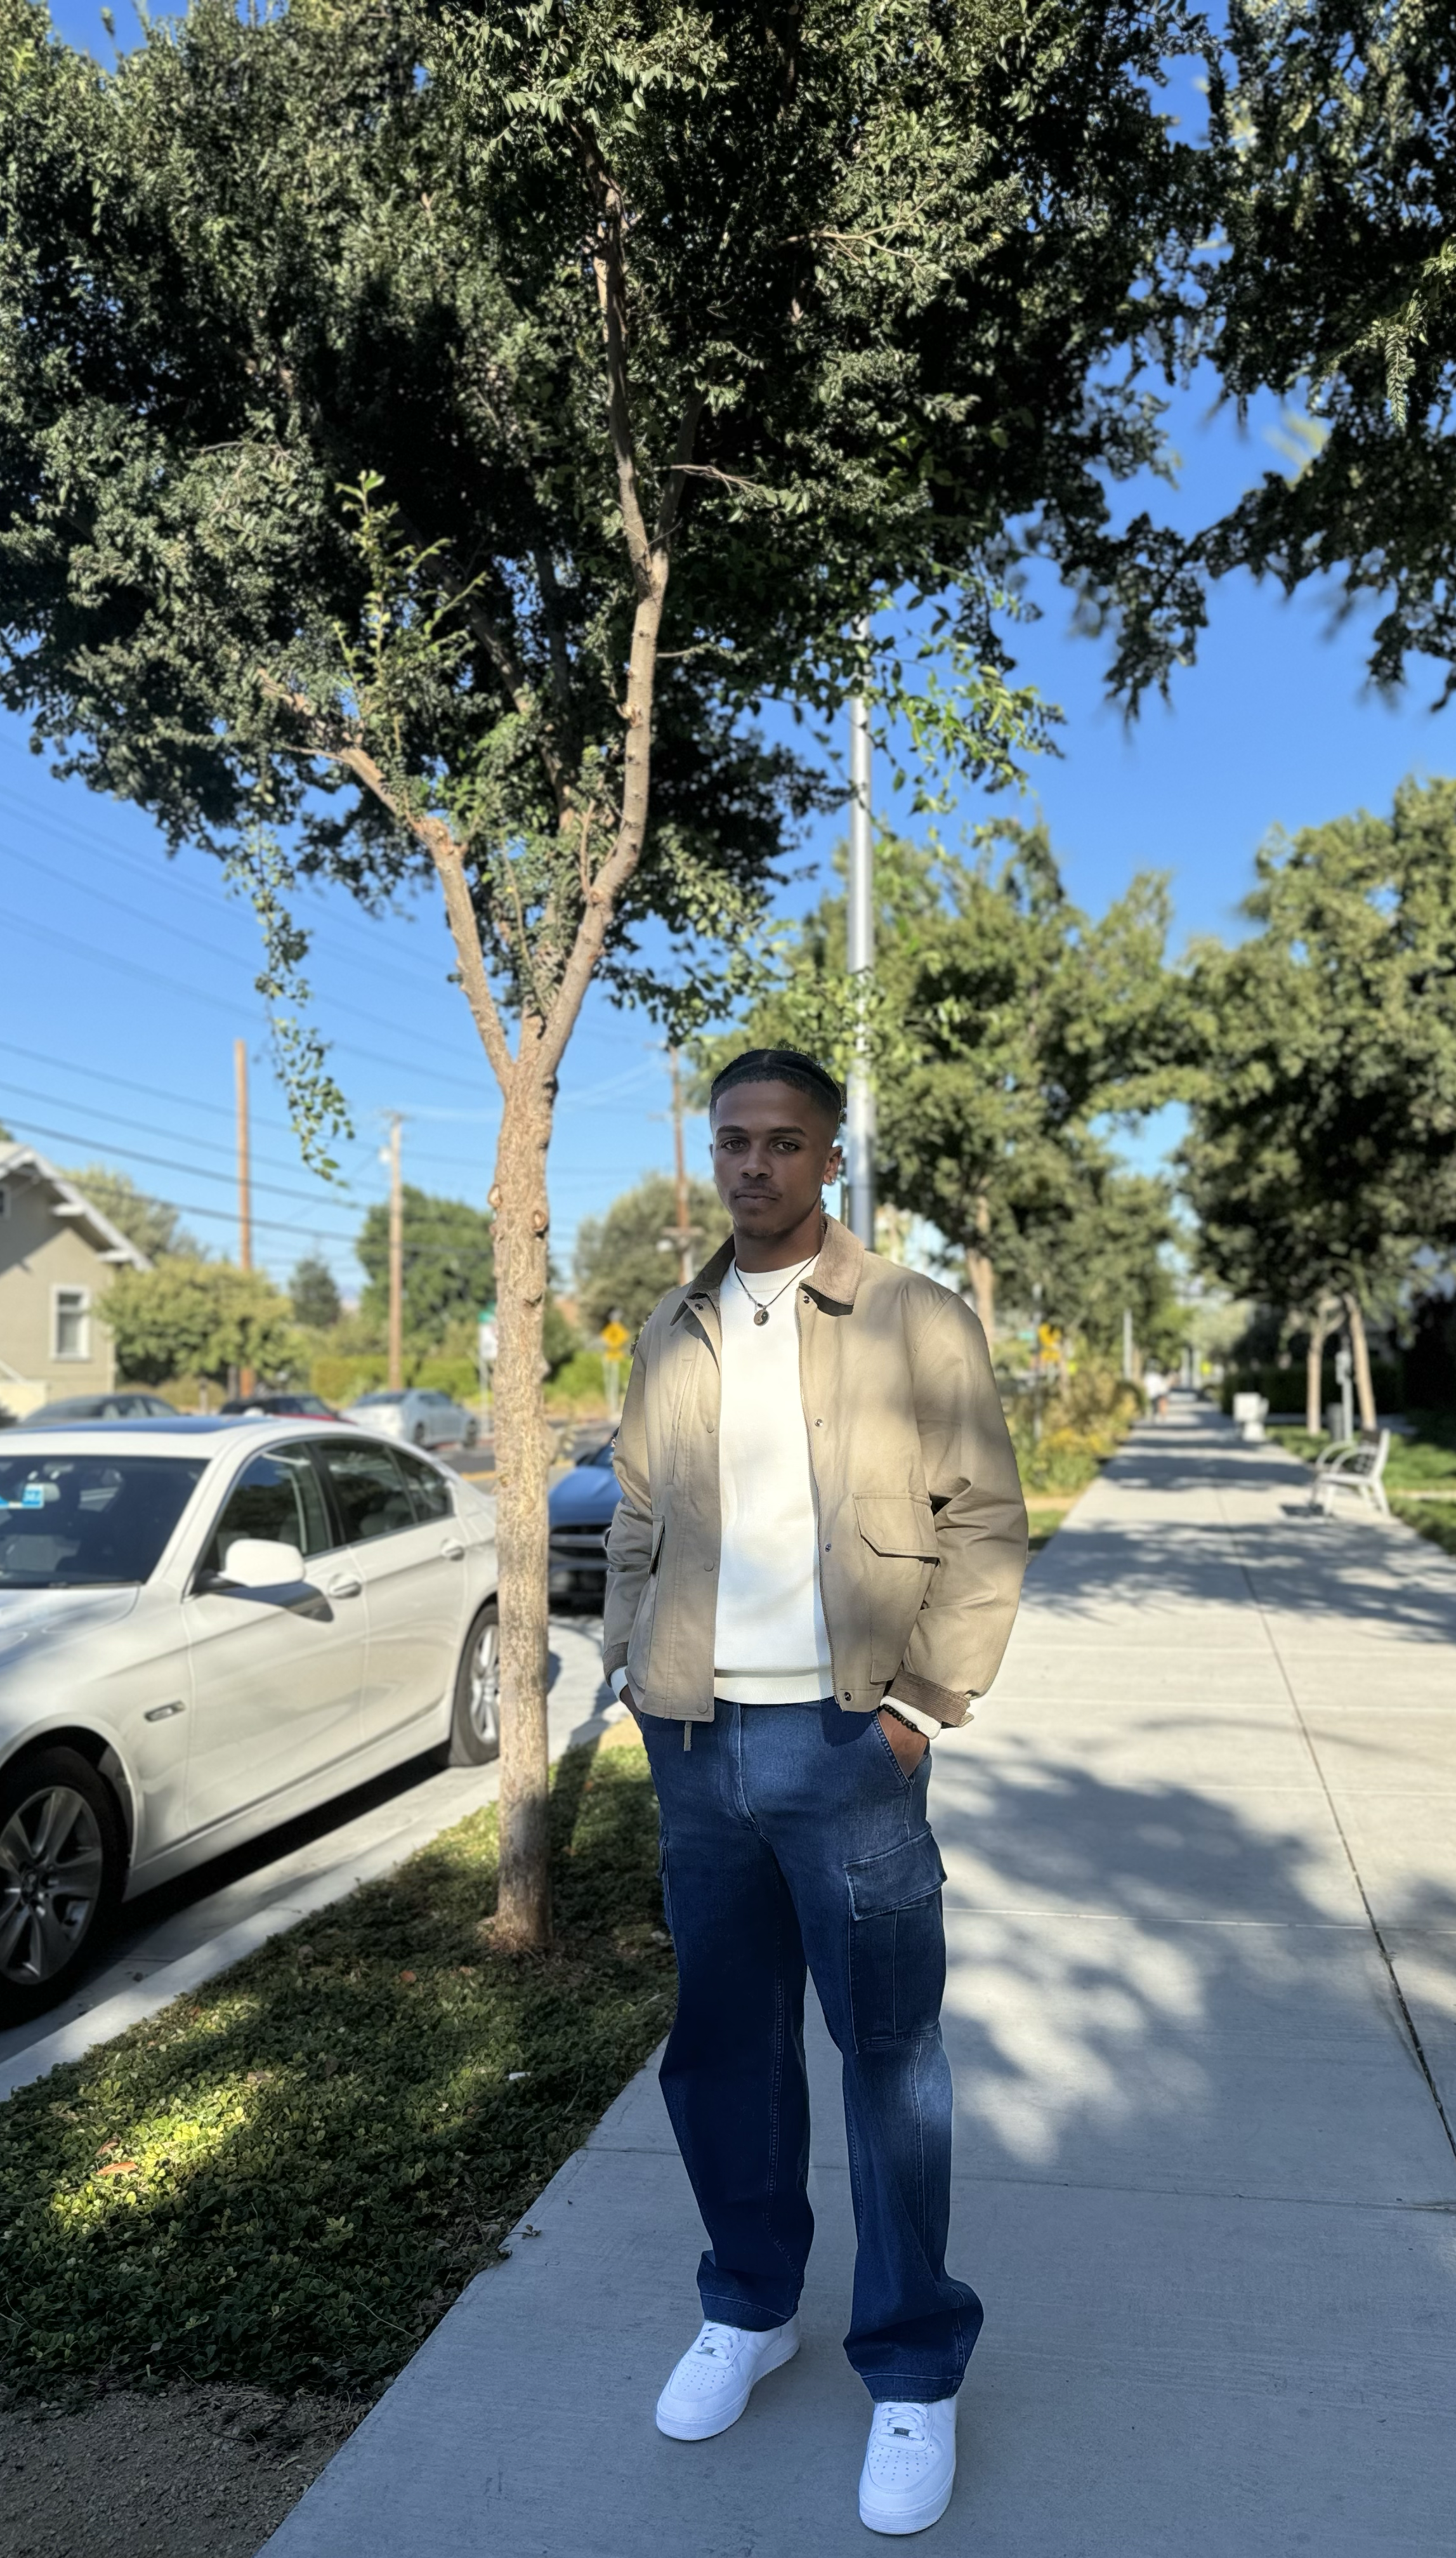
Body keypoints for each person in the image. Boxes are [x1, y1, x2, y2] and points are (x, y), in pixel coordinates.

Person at [603, 1046, 1027, 2536]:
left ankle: (913, 2372)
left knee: (888, 2060)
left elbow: (984, 1512)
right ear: (708, 1155)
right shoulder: (676, 1326)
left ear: (828, 1158)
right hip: (700, 1742)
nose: (756, 1167)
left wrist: (926, 1702)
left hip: (852, 1744)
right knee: (722, 2052)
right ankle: (752, 2302)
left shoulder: (914, 1316)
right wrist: (633, 1680)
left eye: (785, 1144)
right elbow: (641, 1515)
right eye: (734, 1143)